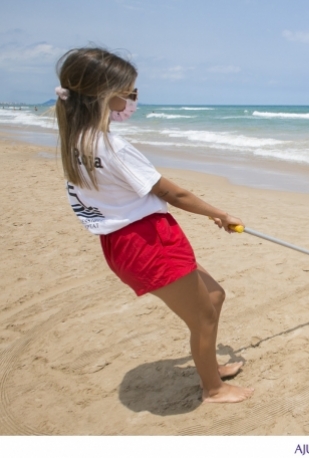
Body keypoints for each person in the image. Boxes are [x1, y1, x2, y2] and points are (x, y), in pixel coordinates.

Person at [55, 47, 254, 404]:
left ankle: (209, 368)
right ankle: (214, 389)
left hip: (128, 241)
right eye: (129, 91)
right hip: (146, 241)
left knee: (213, 296)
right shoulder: (110, 145)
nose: (133, 99)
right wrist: (221, 214)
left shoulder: (76, 139)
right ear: (105, 95)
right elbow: (171, 192)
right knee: (204, 316)